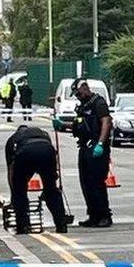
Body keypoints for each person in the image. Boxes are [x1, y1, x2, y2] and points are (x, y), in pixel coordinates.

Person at [53, 79, 112, 228]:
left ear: (85, 88)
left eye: (79, 93)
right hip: (85, 147)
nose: (78, 96)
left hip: (97, 148)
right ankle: (93, 215)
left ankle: (104, 215)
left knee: (97, 182)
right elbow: (79, 125)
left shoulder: (98, 103)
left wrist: (100, 143)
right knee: (86, 183)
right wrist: (62, 124)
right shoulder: (82, 106)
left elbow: (106, 122)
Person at [4, 125, 69, 234]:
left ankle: (23, 226)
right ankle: (61, 224)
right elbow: (53, 155)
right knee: (51, 190)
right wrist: (53, 177)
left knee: (20, 190)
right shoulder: (43, 134)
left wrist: (14, 193)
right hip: (47, 153)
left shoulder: (12, 140)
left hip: (25, 154)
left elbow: (11, 169)